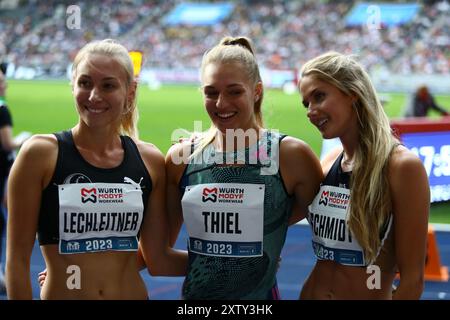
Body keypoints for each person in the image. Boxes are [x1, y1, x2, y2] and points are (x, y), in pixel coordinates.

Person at [6, 39, 186, 299]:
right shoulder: (40, 155)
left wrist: (240, 261)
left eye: (108, 85)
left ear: (130, 92)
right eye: (85, 83)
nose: (94, 96)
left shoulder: (149, 160)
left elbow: (158, 259)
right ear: (72, 86)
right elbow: (17, 262)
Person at [165, 36, 323, 299]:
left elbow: (317, 229)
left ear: (257, 90)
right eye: (211, 92)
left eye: (234, 91)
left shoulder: (291, 156)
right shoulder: (180, 159)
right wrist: (233, 265)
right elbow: (158, 258)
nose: (221, 104)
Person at [298, 51, 429, 299]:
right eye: (307, 103)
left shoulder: (402, 167)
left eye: (319, 96)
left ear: (352, 94)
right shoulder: (328, 162)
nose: (311, 111)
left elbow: (413, 281)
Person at [0, 65, 30, 293]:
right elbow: (7, 144)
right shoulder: (3, 110)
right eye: (2, 81)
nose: (6, 84)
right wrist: (22, 140)